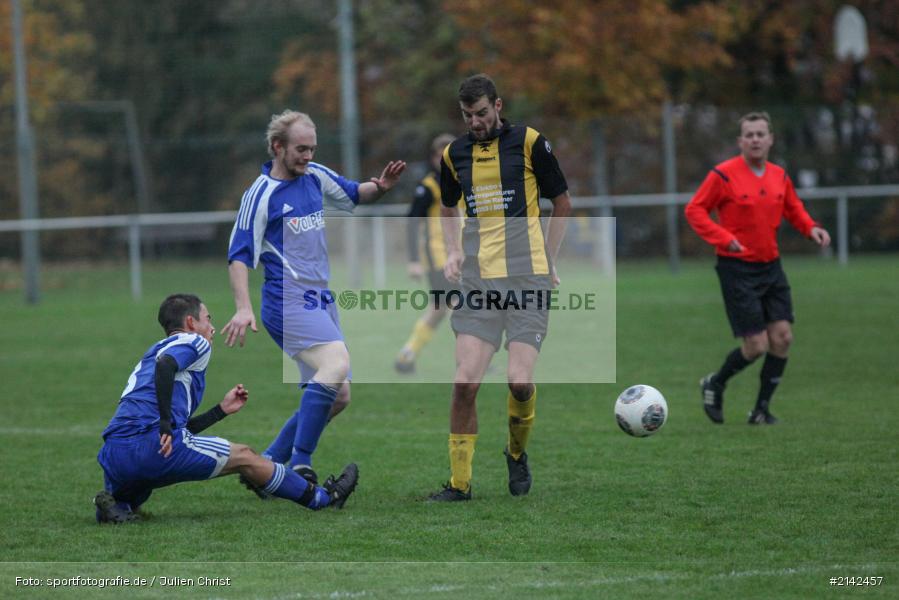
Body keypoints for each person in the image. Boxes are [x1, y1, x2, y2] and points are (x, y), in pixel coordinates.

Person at [222, 110, 405, 491]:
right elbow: (239, 254)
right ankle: (301, 464)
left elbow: (356, 193)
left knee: (339, 396)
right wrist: (243, 307)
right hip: (285, 299)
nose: (307, 156)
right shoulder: (261, 194)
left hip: (320, 298)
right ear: (278, 147)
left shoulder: (315, 175)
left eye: (312, 149)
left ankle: (268, 464)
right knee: (336, 364)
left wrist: (382, 186)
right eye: (300, 149)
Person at [93, 294, 358, 523]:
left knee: (137, 489)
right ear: (190, 322)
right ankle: (324, 498)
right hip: (152, 447)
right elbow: (167, 365)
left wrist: (220, 410)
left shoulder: (149, 355)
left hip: (114, 454)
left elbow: (176, 418)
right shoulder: (195, 342)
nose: (212, 327)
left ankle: (115, 504)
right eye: (208, 318)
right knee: (245, 456)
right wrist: (164, 424)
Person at [429, 74, 571, 501]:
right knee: (464, 383)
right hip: (477, 280)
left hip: (527, 279)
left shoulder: (529, 142)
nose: (475, 122)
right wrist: (453, 251)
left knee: (518, 382)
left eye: (482, 113)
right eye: (468, 115)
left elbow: (561, 201)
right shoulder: (454, 154)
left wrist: (549, 258)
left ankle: (515, 452)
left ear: (498, 105)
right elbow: (446, 205)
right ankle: (459, 484)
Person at [685, 111, 831, 425]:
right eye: (749, 134)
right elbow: (695, 209)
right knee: (756, 345)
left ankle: (761, 410)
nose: (755, 139)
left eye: (760, 134)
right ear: (740, 141)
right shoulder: (723, 175)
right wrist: (723, 237)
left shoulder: (779, 175)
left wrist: (811, 228)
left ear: (770, 139)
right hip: (737, 269)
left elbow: (794, 208)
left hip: (771, 267)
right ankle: (716, 382)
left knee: (783, 338)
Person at [394, 133, 461, 373]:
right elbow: (413, 223)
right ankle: (469, 362)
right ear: (434, 158)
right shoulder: (429, 187)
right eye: (441, 156)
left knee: (439, 310)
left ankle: (407, 354)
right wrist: (413, 260)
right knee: (462, 307)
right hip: (439, 259)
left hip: (460, 258)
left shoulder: (463, 183)